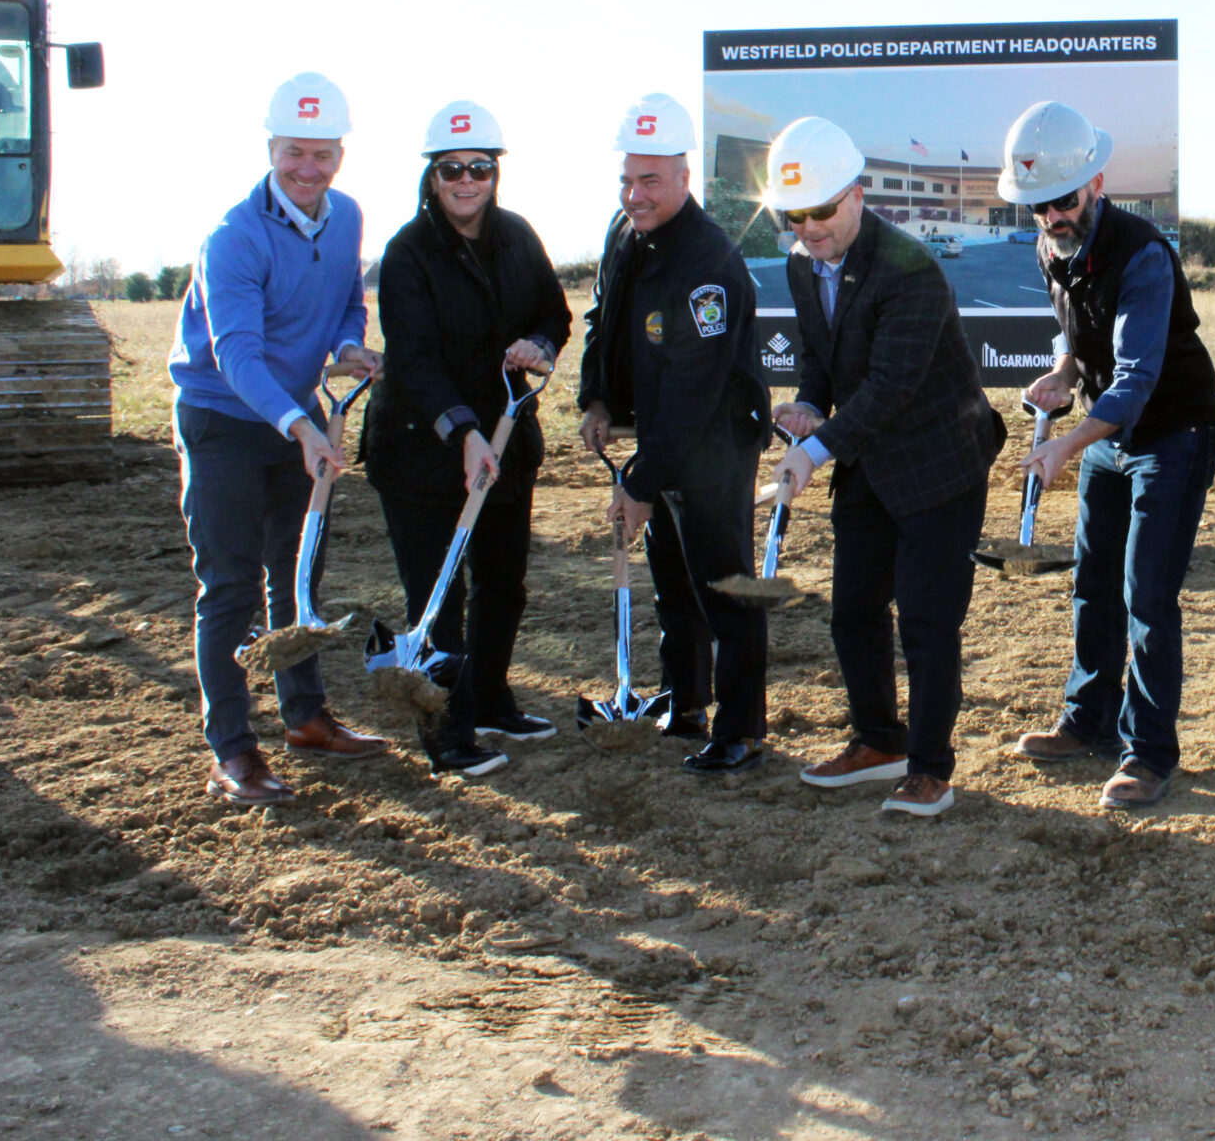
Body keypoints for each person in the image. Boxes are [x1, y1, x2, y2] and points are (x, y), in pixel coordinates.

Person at [764, 117, 1007, 817]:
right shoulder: (800, 266)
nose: (808, 229)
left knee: (927, 623)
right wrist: (810, 406)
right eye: (794, 215)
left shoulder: (911, 268)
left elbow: (891, 387)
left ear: (858, 195)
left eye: (821, 211)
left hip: (940, 463)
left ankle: (929, 769)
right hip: (867, 458)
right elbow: (820, 358)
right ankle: (880, 741)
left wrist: (813, 452)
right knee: (853, 611)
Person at [999, 101, 1215, 808]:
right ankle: (1086, 719)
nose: (1051, 218)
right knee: (1092, 583)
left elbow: (1136, 379)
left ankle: (1149, 754)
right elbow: (1075, 333)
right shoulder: (1050, 248)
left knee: (1147, 596)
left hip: (1173, 433)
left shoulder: (1145, 255)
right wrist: (1063, 373)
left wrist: (1067, 441)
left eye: (1063, 201)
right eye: (1037, 207)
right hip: (1107, 435)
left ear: (1096, 182)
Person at [168, 73, 385, 805]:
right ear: (271, 149)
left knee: (296, 577)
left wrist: (351, 346)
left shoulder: (347, 216)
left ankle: (306, 718)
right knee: (228, 588)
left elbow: (348, 304)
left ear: (341, 156)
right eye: (295, 153)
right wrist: (299, 426)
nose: (309, 170)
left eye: (324, 155)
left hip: (293, 418)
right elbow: (236, 356)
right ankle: (233, 750)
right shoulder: (233, 238)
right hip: (224, 420)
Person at [361, 100, 572, 779]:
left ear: (495, 173)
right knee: (438, 597)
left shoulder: (517, 237)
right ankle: (448, 734)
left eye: (479, 167)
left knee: (504, 585)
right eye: (452, 168)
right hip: (423, 451)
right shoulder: (406, 254)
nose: (466, 180)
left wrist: (538, 344)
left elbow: (554, 313)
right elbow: (415, 360)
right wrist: (463, 430)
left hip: (507, 442)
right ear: (432, 175)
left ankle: (491, 700)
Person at [574, 94, 770, 773]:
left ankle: (740, 728)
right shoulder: (624, 233)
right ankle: (685, 703)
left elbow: (696, 387)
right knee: (672, 579)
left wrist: (639, 479)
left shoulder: (708, 261)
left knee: (723, 585)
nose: (635, 194)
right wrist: (597, 398)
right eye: (627, 179)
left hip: (714, 440)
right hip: (662, 431)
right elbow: (604, 316)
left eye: (650, 180)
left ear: (684, 178)